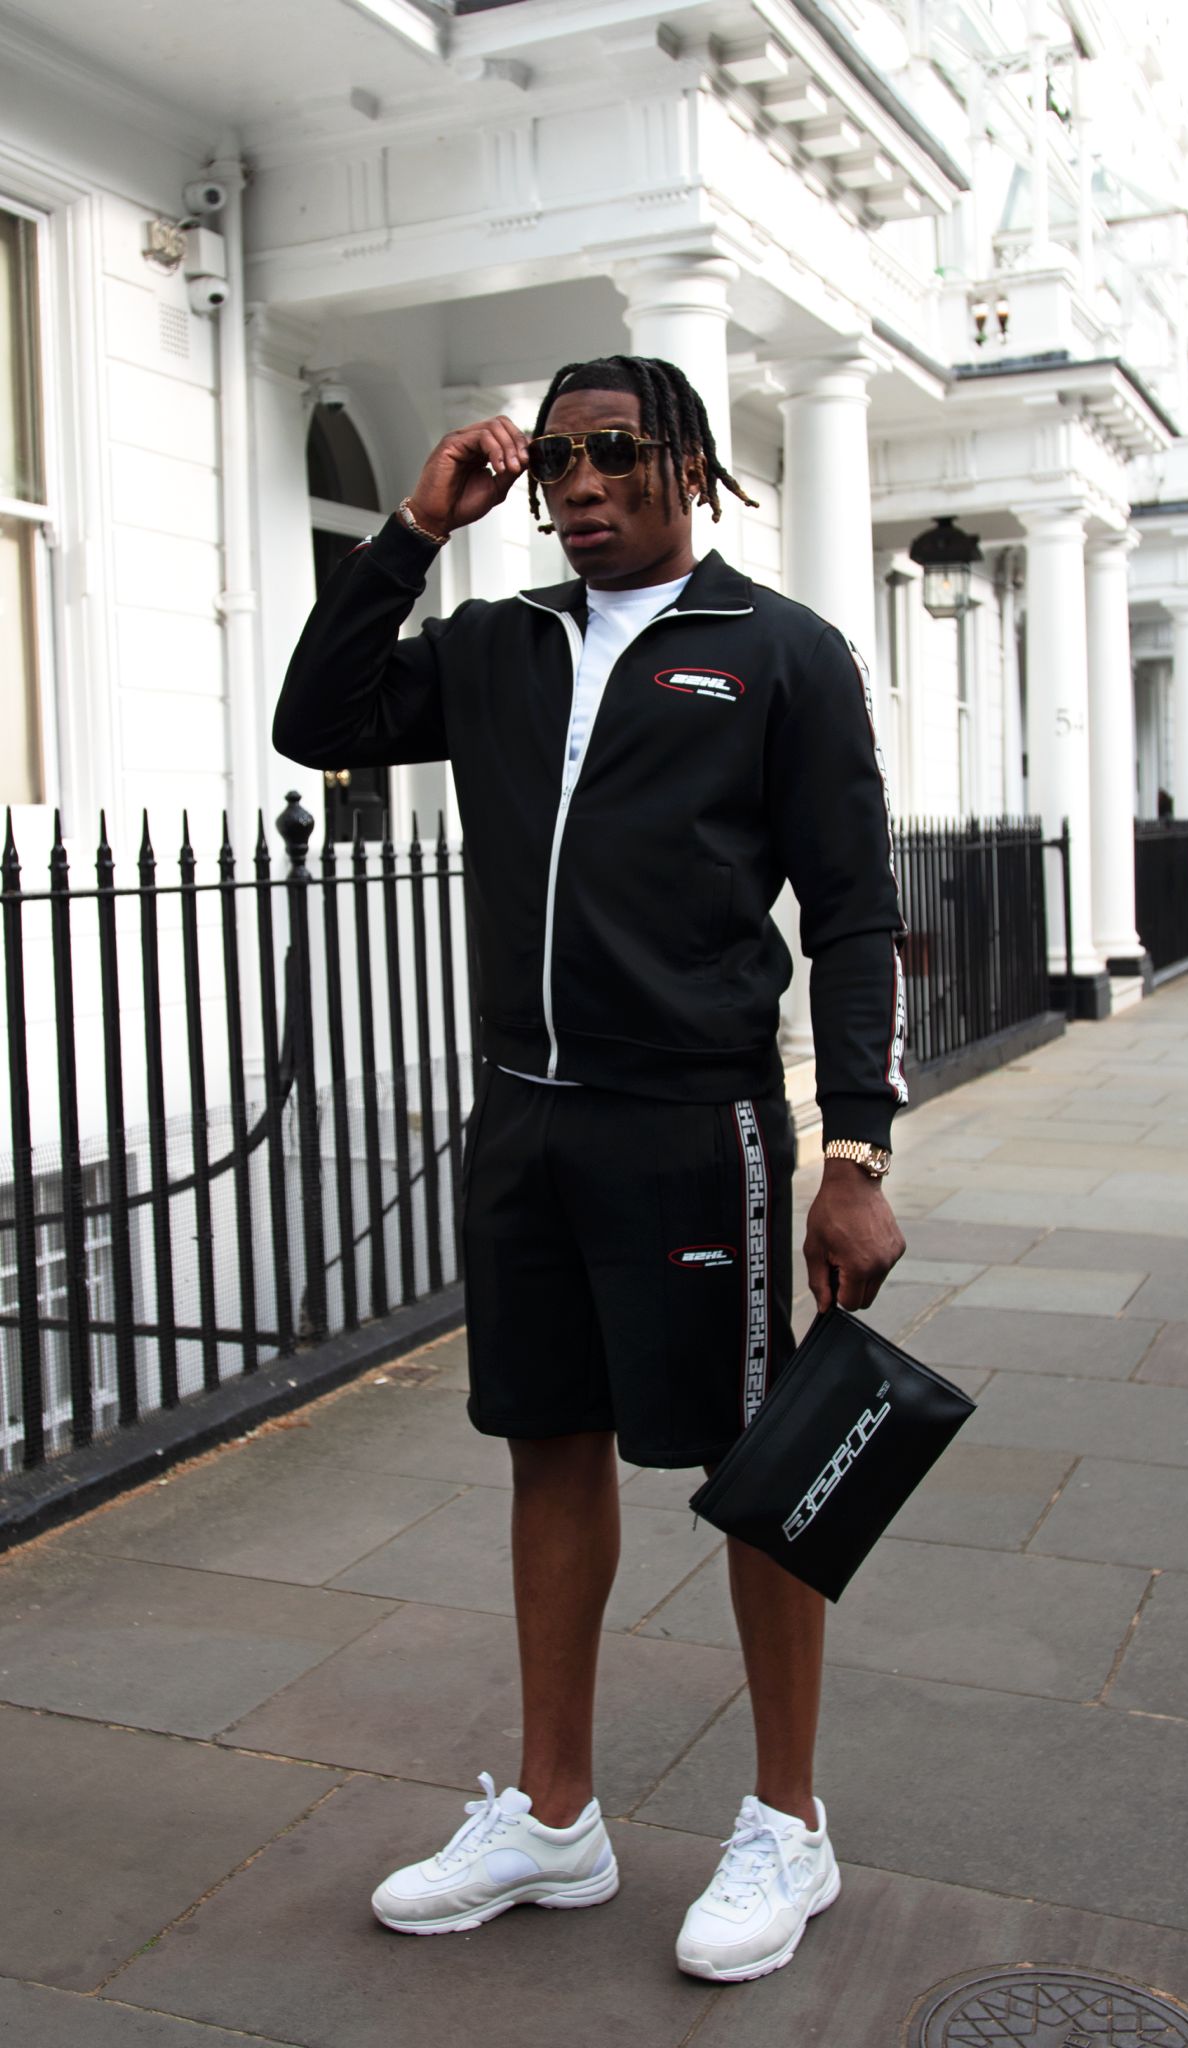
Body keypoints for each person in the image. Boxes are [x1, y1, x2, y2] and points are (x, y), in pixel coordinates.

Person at [274, 354, 907, 1983]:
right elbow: (315, 721)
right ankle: (555, 1817)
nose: (581, 483)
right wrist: (416, 528)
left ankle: (790, 1821)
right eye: (554, 459)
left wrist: (855, 1147)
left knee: (759, 1465)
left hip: (692, 1122)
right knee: (546, 1444)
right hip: (525, 1119)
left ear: (690, 462)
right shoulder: (502, 642)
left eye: (616, 451)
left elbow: (851, 912)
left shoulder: (779, 651)